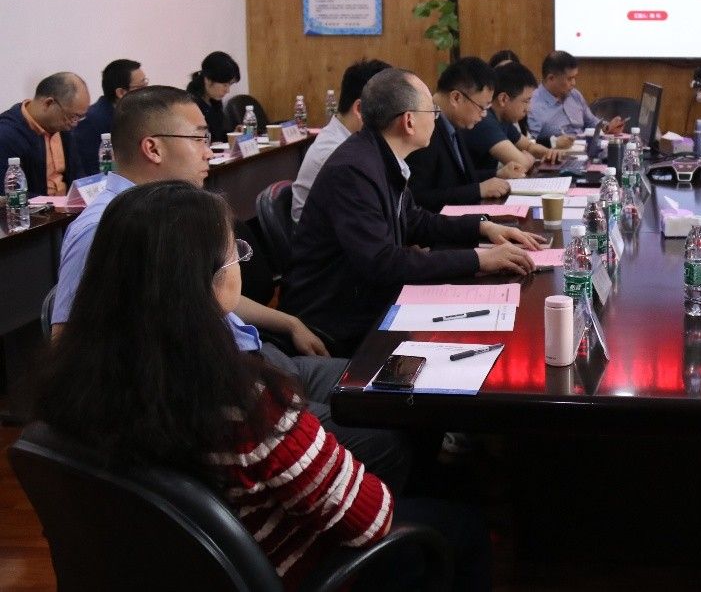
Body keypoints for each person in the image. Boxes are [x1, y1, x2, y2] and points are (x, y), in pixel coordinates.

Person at [35, 181, 491, 591]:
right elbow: (370, 519)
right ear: (204, 277)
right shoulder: (247, 402)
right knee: (463, 526)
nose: (240, 262)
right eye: (235, 252)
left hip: (172, 571)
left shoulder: (68, 389)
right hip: (286, 569)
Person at [49, 85, 413, 488]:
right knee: (388, 438)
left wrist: (289, 321)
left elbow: (209, 293)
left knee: (396, 387)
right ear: (153, 148)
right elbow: (68, 341)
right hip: (223, 388)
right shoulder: (105, 227)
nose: (209, 152)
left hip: (258, 357)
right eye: (198, 138)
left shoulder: (171, 208)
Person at [287, 68, 542, 356]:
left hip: (367, 300)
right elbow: (382, 262)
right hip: (338, 318)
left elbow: (414, 219)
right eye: (432, 111)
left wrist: (482, 227)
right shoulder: (354, 170)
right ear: (409, 121)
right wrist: (479, 259)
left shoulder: (378, 155)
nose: (436, 118)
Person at [406, 57, 514, 211]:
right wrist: (478, 190)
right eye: (482, 107)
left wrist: (498, 173)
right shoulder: (424, 128)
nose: (484, 115)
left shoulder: (452, 121)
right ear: (456, 98)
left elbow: (460, 178)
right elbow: (417, 199)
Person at [292, 58, 391, 224]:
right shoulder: (337, 155)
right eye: (390, 110)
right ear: (360, 109)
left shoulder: (354, 142)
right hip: (327, 237)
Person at [463, 61, 564, 177]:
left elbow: (529, 146)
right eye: (526, 101)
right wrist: (529, 158)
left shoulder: (503, 119)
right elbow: (522, 164)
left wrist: (548, 153)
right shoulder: (485, 121)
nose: (529, 109)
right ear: (503, 99)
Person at [0, 72, 90, 196]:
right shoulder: (7, 135)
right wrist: (55, 204)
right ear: (48, 103)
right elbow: (9, 195)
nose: (74, 124)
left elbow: (78, 175)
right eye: (72, 117)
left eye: (80, 117)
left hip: (69, 206)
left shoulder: (63, 129)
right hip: (40, 208)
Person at [526, 50, 623, 144]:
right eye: (569, 79)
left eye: (574, 78)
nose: (573, 83)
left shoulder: (574, 94)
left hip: (586, 148)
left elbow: (591, 122)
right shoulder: (533, 104)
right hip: (560, 152)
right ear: (551, 78)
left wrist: (607, 127)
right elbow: (532, 143)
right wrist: (554, 142)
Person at [70, 58, 147, 173]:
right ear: (121, 92)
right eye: (141, 87)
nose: (146, 92)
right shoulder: (92, 121)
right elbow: (92, 170)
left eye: (146, 83)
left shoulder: (137, 114)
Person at [185, 50, 240, 143]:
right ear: (208, 80)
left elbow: (219, 137)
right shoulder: (191, 105)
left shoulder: (214, 102)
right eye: (225, 85)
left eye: (230, 85)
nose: (227, 90)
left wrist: (233, 134)